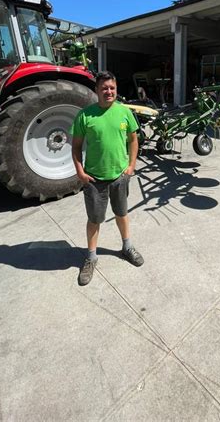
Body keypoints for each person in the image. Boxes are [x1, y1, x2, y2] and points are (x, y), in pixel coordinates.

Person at [71, 70, 144, 286]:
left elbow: (133, 140)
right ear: (97, 90)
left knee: (122, 213)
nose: (109, 91)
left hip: (120, 176)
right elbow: (75, 147)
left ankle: (127, 247)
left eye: (112, 88)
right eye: (104, 88)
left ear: (116, 89)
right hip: (94, 179)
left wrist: (131, 166)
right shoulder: (85, 116)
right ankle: (91, 257)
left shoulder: (124, 113)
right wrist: (80, 171)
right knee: (94, 219)